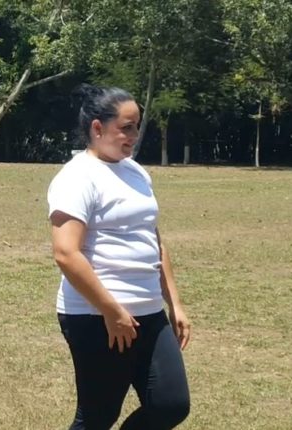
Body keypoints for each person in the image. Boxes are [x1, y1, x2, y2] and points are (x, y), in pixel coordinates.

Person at [47, 84, 191, 429]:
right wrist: (112, 312)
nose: (134, 135)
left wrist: (175, 303)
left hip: (149, 312)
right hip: (97, 317)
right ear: (97, 128)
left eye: (137, 126)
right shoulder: (77, 178)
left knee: (171, 405)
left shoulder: (135, 171)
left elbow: (153, 238)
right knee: (97, 417)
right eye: (126, 127)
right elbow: (66, 253)